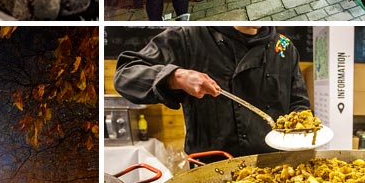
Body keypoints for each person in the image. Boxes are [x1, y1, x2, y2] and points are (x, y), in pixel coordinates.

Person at [114, 26, 311, 159]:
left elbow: (299, 104)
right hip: (212, 170)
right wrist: (176, 77)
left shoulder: (284, 47)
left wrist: (301, 130)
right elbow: (125, 75)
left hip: (277, 165)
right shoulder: (189, 36)